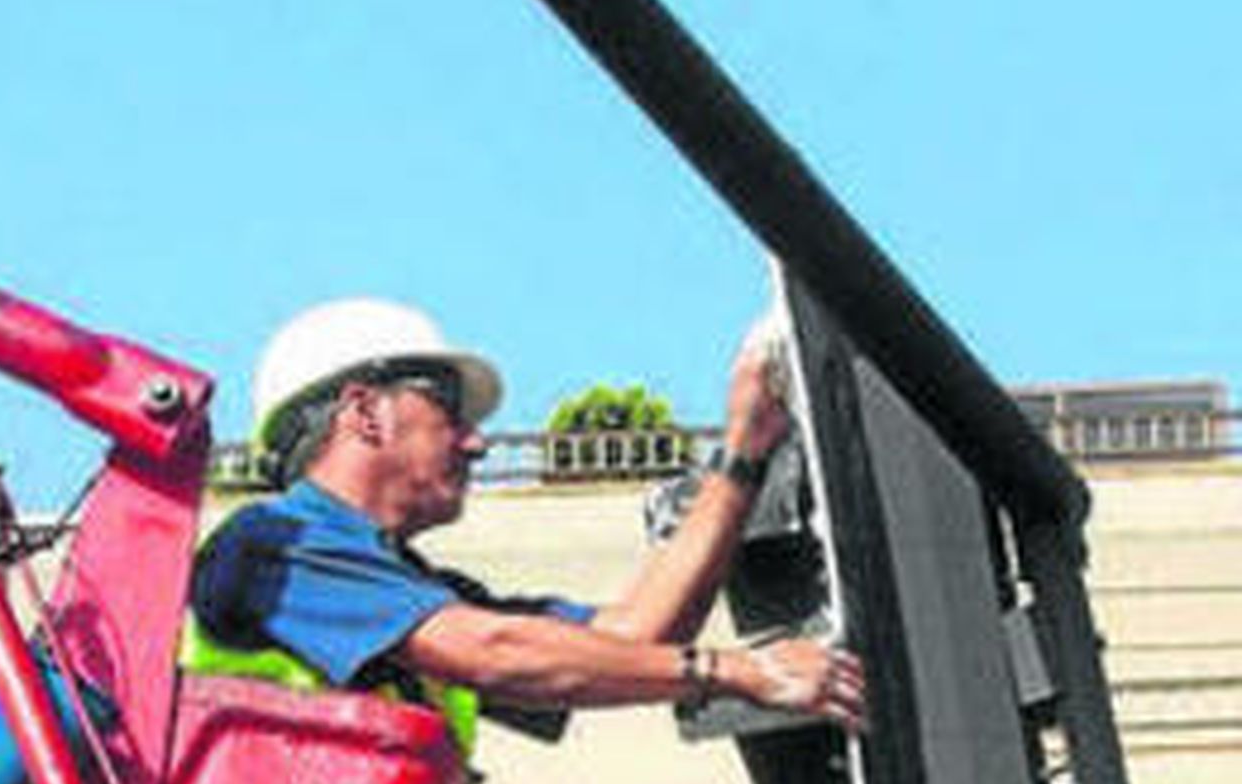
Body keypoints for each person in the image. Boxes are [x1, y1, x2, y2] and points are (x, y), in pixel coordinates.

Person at [189, 298, 865, 740]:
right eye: (452, 411)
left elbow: (635, 637)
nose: (477, 441)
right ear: (365, 412)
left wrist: (745, 453)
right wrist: (736, 669)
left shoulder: (412, 592)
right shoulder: (274, 548)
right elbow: (495, 652)